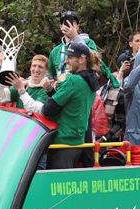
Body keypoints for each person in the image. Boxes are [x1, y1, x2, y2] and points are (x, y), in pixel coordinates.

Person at [16, 40, 97, 168]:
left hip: (63, 143)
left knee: (57, 187)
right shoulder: (91, 80)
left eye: (70, 58)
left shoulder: (72, 80)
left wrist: (21, 90)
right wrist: (50, 90)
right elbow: (68, 104)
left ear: (82, 59)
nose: (67, 61)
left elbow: (48, 110)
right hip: (77, 143)